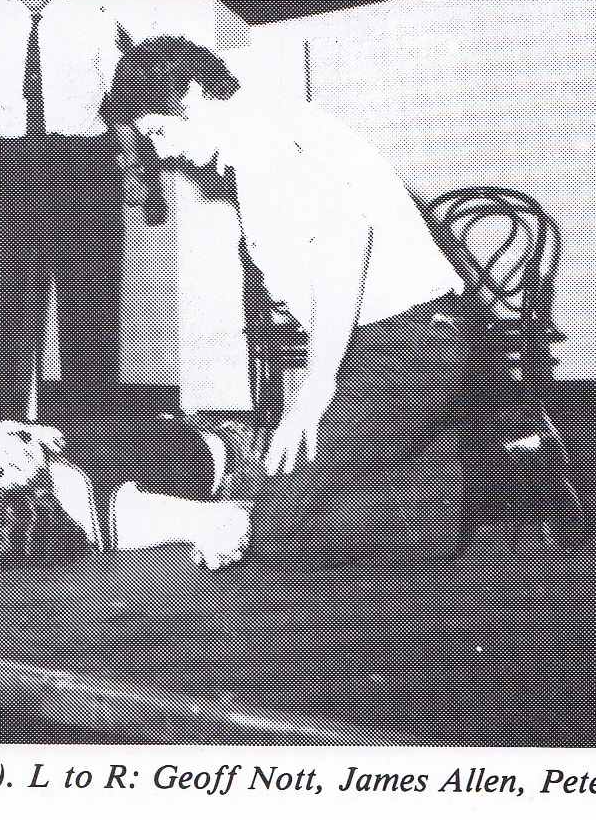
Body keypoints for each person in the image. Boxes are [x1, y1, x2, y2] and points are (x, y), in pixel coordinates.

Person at [100, 36, 484, 567]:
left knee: (306, 505)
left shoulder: (265, 141)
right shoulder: (265, 131)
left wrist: (315, 387)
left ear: (192, 97)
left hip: (410, 342)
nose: (162, 153)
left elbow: (344, 243)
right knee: (324, 490)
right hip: (408, 336)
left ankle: (181, 523)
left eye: (160, 132)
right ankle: (428, 521)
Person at [0, 0, 138, 432]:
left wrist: (132, 172)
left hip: (83, 165)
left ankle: (90, 434)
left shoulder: (94, 19)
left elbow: (123, 99)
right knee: (6, 305)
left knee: (90, 303)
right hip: (9, 165)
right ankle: (0, 433)